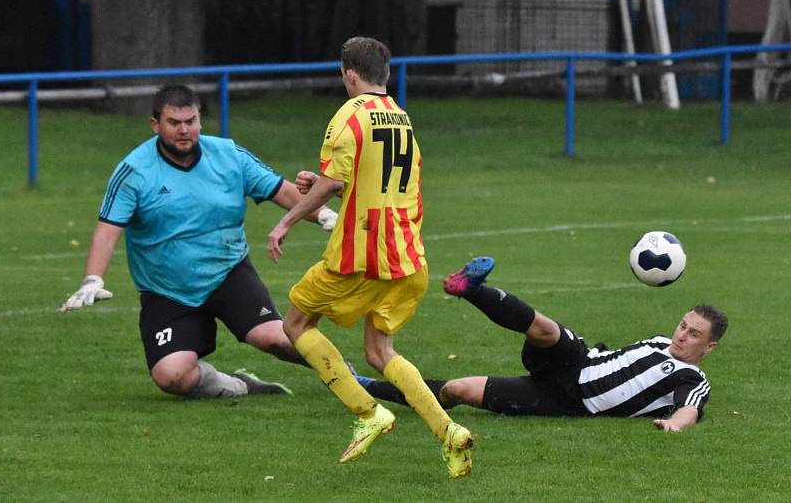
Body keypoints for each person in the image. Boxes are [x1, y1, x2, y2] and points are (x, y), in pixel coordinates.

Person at [266, 36, 473, 478]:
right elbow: (358, 178)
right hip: (408, 255)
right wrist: (323, 181)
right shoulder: (402, 119)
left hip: (361, 254)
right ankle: (449, 431)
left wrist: (285, 222)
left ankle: (367, 412)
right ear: (387, 75)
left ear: (349, 74)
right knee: (380, 350)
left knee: (296, 323)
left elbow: (332, 182)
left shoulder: (347, 117)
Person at [60, 84, 339, 400]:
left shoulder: (228, 155)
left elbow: (283, 191)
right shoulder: (134, 171)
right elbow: (107, 232)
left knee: (280, 338)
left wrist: (325, 215)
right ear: (155, 124)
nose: (184, 130)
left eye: (190, 121)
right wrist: (92, 280)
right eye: (174, 123)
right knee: (172, 376)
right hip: (167, 290)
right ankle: (239, 385)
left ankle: (351, 379)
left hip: (228, 272)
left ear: (200, 121)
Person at [359, 256, 729, 433]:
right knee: (545, 330)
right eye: (683, 325)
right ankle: (470, 289)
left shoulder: (692, 378)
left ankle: (366, 386)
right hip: (579, 360)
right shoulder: (660, 340)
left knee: (459, 390)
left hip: (566, 401)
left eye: (694, 334)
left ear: (709, 347)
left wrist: (673, 426)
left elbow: (689, 410)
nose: (682, 335)